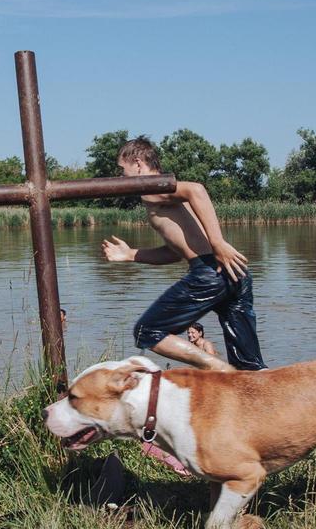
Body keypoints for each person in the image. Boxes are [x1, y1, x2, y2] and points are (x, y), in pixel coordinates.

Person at [101, 136, 266, 372]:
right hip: (234, 272)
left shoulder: (151, 188)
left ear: (137, 163)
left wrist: (217, 242)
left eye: (122, 169)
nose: (121, 177)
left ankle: (218, 370)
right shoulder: (165, 192)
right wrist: (131, 254)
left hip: (210, 272)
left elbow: (196, 189)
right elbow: (173, 253)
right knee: (250, 368)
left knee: (146, 331)